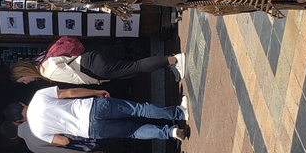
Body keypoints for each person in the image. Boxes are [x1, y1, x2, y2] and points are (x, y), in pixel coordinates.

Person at [4, 87, 189, 144]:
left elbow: (65, 142)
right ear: (21, 103)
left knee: (132, 131)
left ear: (18, 121)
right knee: (138, 109)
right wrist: (95, 91)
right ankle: (178, 113)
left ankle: (170, 133)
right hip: (91, 107)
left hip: (90, 130)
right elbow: (69, 93)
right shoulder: (39, 96)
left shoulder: (36, 131)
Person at [10, 50, 185, 85]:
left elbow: (76, 79)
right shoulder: (43, 59)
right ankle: (169, 62)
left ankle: (173, 59)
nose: (26, 82)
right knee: (133, 66)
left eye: (22, 80)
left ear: (25, 73)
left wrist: (97, 81)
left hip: (96, 69)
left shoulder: (49, 72)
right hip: (91, 57)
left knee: (137, 67)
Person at [0, 105, 103, 153]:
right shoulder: (32, 115)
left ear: (13, 138)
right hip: (83, 116)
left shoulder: (32, 146)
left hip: (87, 140)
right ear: (15, 122)